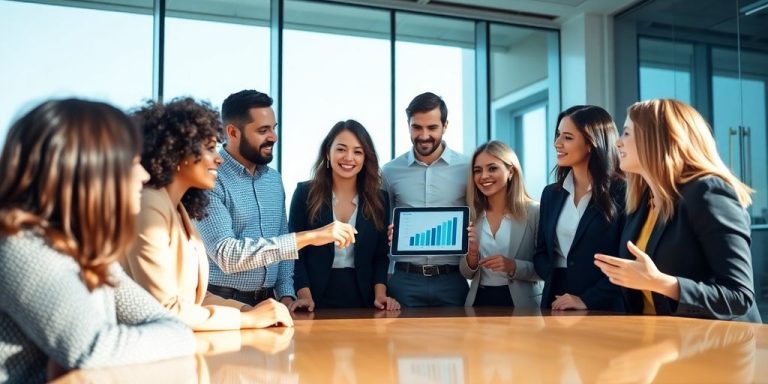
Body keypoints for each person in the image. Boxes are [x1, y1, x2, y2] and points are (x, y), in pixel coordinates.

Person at [0, 99, 195, 383]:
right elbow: (95, 349)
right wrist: (103, 348)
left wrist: (110, 347)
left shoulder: (89, 252)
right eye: (133, 163)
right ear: (91, 172)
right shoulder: (19, 247)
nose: (144, 175)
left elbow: (176, 328)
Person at [123, 98, 293, 331]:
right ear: (176, 150)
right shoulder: (149, 204)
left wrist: (248, 310)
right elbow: (166, 310)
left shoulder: (180, 210)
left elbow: (192, 299)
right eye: (210, 147)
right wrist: (248, 319)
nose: (219, 158)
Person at [594, 99, 762, 323]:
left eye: (626, 133)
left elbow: (739, 297)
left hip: (720, 349)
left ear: (655, 139)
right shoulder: (642, 201)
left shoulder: (708, 192)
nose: (617, 143)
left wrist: (659, 282)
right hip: (661, 343)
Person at [196, 90, 356, 308]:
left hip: (270, 303)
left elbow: (282, 242)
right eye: (263, 130)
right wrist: (310, 236)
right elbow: (227, 255)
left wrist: (287, 294)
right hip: (222, 303)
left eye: (273, 128)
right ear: (233, 133)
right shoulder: (210, 178)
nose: (273, 137)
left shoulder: (273, 180)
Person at [289, 120, 399, 310]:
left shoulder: (379, 199)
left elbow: (381, 256)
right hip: (314, 298)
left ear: (365, 158)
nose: (349, 157)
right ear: (327, 152)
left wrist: (380, 295)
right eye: (341, 149)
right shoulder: (304, 193)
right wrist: (304, 295)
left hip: (365, 298)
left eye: (358, 151)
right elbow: (295, 252)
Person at [533, 105, 625, 312]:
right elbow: (541, 253)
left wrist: (587, 299)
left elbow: (627, 261)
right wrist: (555, 277)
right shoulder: (551, 194)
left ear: (591, 143)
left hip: (604, 307)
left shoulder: (623, 192)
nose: (557, 143)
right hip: (555, 302)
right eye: (557, 135)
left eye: (567, 137)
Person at [382, 92, 470, 307]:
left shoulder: (468, 168)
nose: (423, 135)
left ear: (445, 125)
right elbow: (380, 223)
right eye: (417, 127)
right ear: (408, 125)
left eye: (432, 128)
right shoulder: (390, 171)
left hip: (452, 279)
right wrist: (389, 232)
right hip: (404, 280)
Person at [461, 140, 543, 307]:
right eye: (478, 170)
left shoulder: (534, 212)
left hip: (522, 303)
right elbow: (466, 273)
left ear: (511, 171)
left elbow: (545, 269)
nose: (484, 176)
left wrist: (513, 266)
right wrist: (472, 255)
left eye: (492, 168)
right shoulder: (471, 215)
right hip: (479, 301)